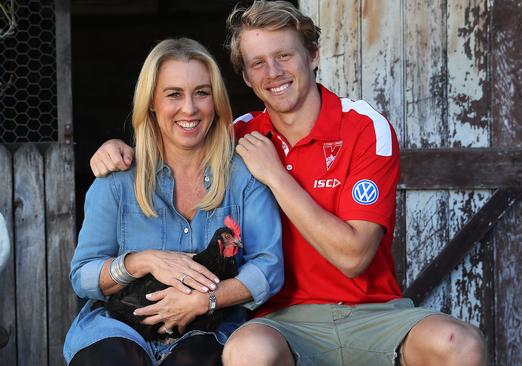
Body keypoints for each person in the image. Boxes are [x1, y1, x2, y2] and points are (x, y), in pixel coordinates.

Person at [88, 2, 487, 365]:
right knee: (246, 352)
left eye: (284, 55)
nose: (273, 72)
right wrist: (116, 149)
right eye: (257, 63)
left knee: (462, 344)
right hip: (278, 321)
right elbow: (177, 135)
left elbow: (353, 257)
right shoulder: (238, 134)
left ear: (313, 57)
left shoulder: (364, 126)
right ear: (244, 75)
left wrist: (276, 175)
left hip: (375, 312)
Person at [64, 37, 284, 366]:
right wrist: (144, 260)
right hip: (122, 324)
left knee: (197, 360)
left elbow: (269, 267)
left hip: (210, 326)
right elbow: (83, 276)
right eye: (174, 94)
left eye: (202, 93)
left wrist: (206, 300)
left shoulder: (243, 175)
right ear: (152, 102)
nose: (190, 108)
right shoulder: (118, 179)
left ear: (216, 101)